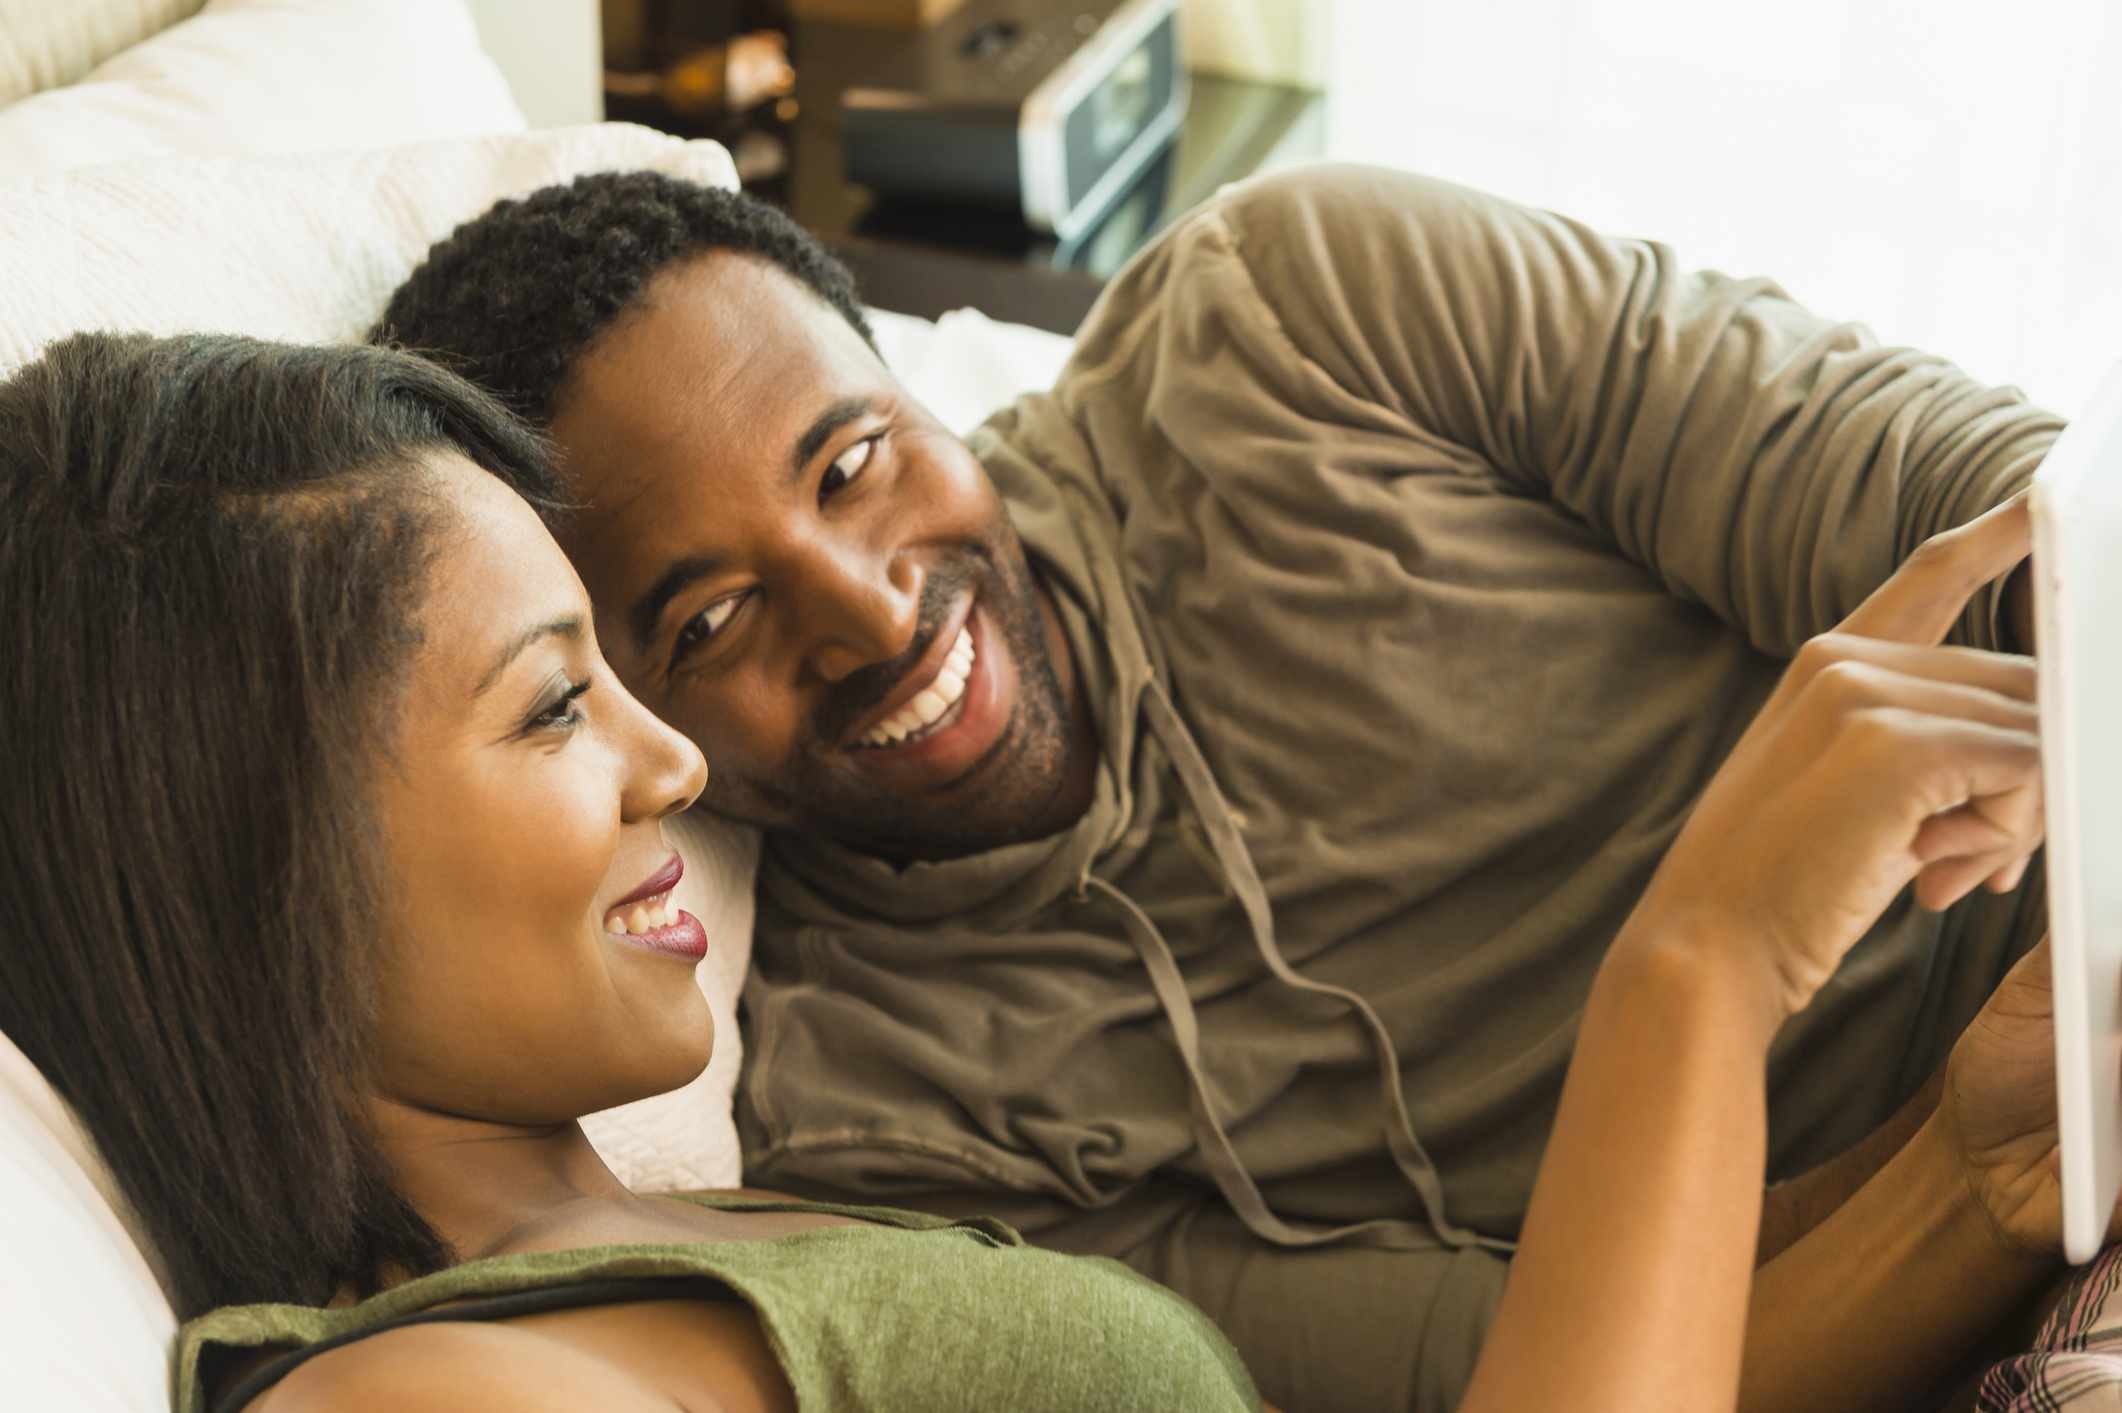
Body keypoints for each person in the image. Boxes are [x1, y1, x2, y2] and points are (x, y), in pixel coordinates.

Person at [0, 328, 2062, 1413]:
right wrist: (1691, 962)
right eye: (560, 704)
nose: (668, 756)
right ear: (271, 875)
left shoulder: (709, 1231)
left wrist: (1974, 1168)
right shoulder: (430, 1397)